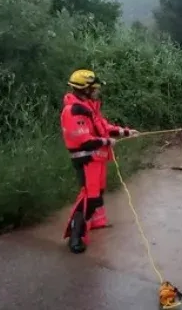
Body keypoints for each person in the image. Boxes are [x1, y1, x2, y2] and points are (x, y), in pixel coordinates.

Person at [60, 69, 139, 254]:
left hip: (97, 158)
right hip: (86, 159)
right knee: (89, 197)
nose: (97, 91)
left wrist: (125, 132)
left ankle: (93, 224)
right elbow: (83, 140)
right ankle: (75, 236)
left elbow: (103, 127)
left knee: (97, 195)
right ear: (84, 89)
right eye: (94, 88)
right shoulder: (74, 110)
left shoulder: (89, 106)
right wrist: (106, 142)